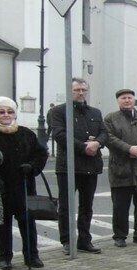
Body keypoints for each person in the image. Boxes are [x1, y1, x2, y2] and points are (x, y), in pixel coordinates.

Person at [50, 78, 107, 255]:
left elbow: (104, 132)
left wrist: (97, 143)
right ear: (70, 91)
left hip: (91, 165)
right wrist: (84, 147)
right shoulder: (58, 111)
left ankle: (84, 240)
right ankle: (67, 240)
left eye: (83, 90)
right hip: (68, 166)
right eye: (76, 90)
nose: (80, 93)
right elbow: (60, 135)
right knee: (67, 206)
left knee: (87, 205)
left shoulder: (95, 112)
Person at [103, 88, 137, 248]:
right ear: (118, 101)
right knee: (120, 206)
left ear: (134, 100)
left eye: (129, 98)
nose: (127, 100)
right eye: (123, 98)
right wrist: (128, 148)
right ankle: (120, 236)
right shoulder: (110, 119)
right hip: (121, 169)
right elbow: (109, 138)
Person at [0, 97, 49, 270]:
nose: (6, 115)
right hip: (1, 187)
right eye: (1, 111)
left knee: (27, 220)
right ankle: (4, 257)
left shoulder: (26, 133)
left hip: (24, 184)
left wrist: (32, 166)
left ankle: (32, 256)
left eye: (10, 111)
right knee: (2, 223)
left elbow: (41, 154)